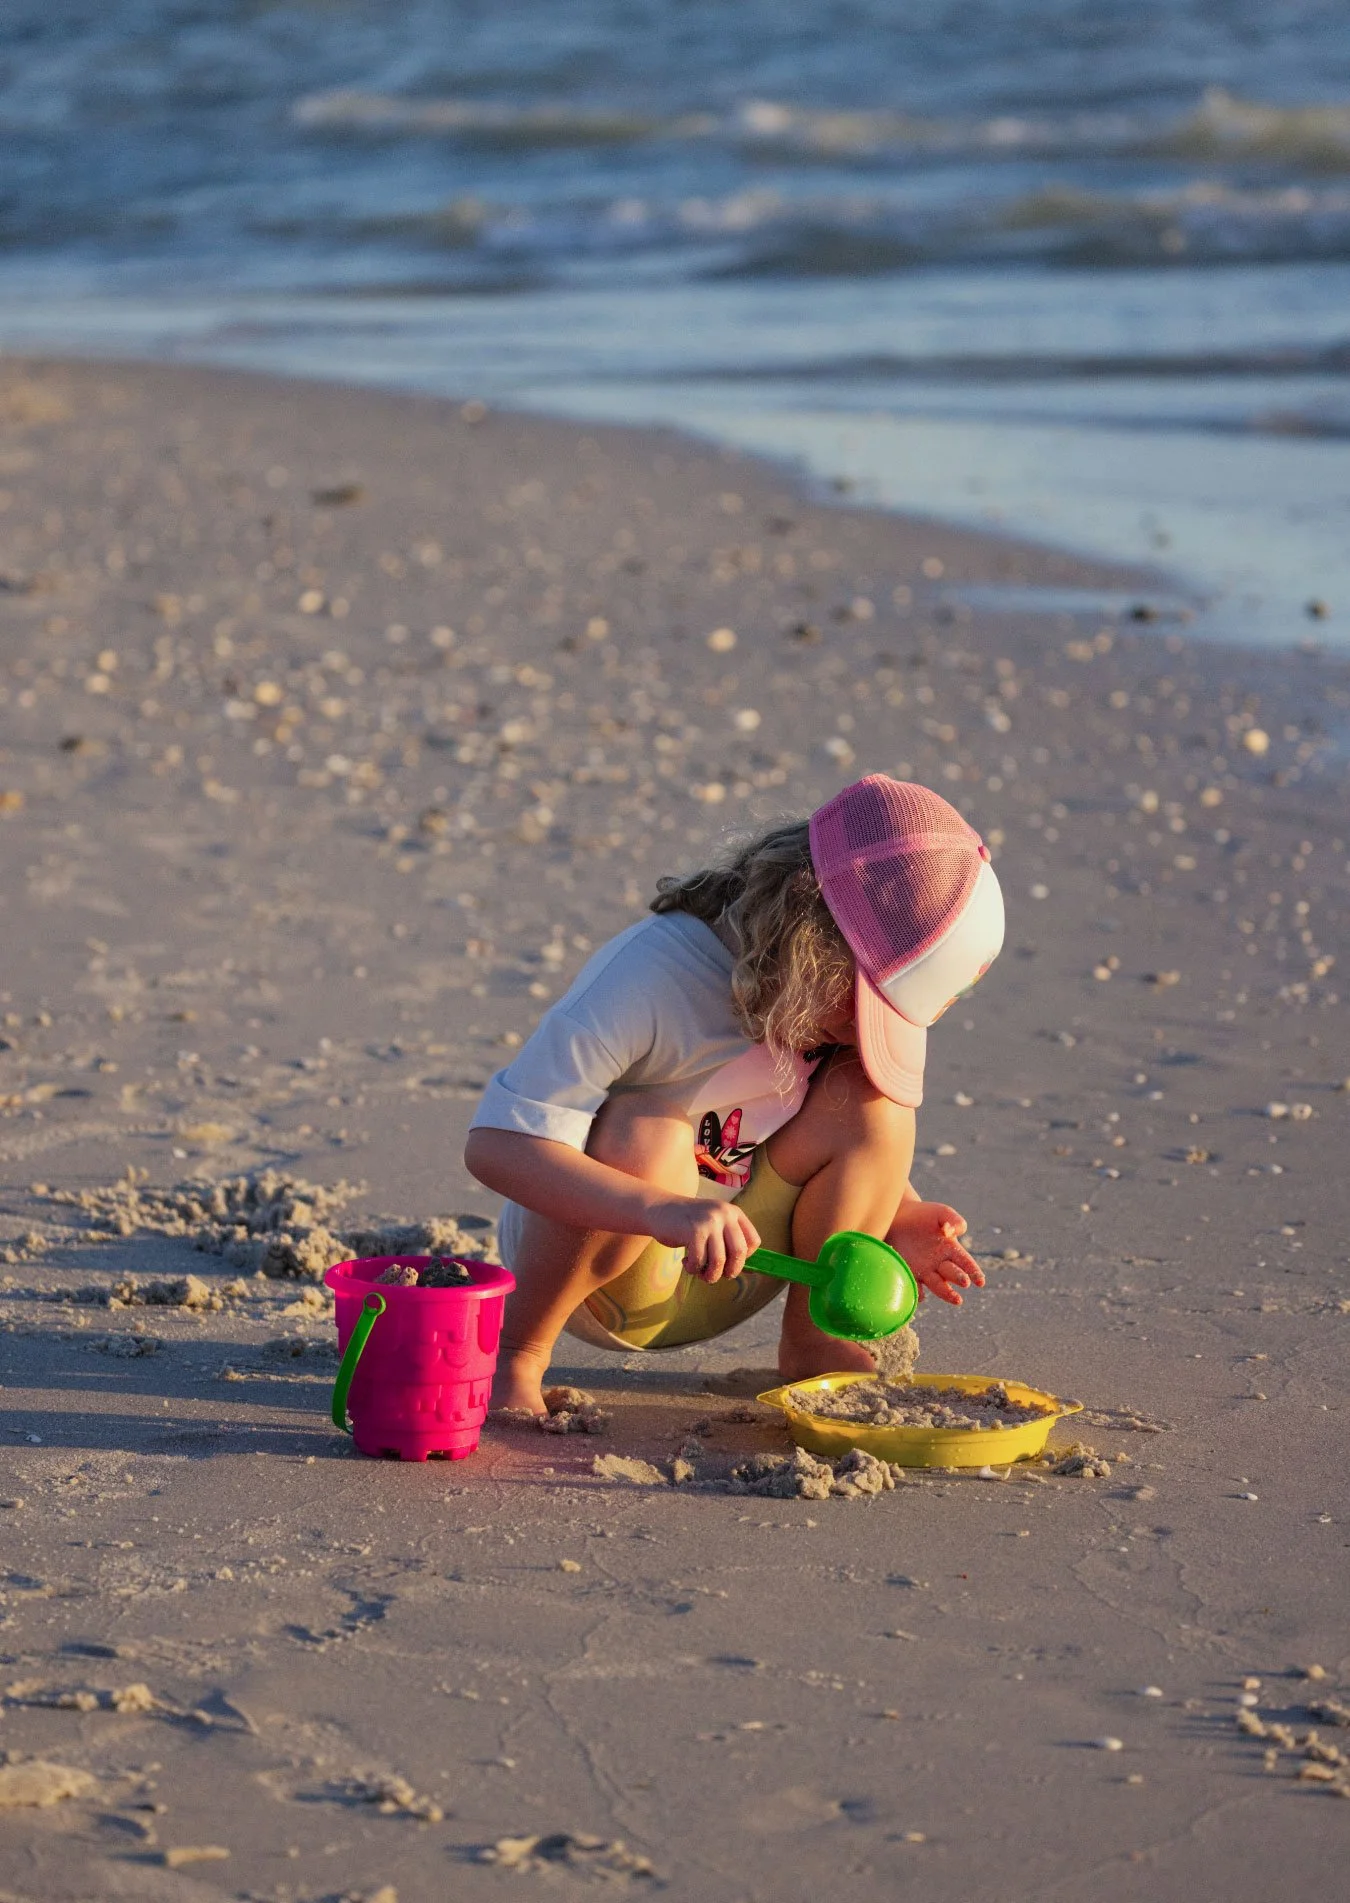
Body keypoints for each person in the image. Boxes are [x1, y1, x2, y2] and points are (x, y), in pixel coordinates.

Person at [464, 775, 1005, 1417]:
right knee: (650, 1131)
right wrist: (657, 1209)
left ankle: (814, 1343)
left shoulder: (813, 1001)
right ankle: (516, 1357)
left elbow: (829, 1129)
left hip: (733, 1267)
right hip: (593, 1276)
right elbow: (496, 1146)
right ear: (813, 948)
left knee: (873, 1097)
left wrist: (894, 1211)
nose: (863, 1031)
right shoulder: (645, 979)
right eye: (864, 1008)